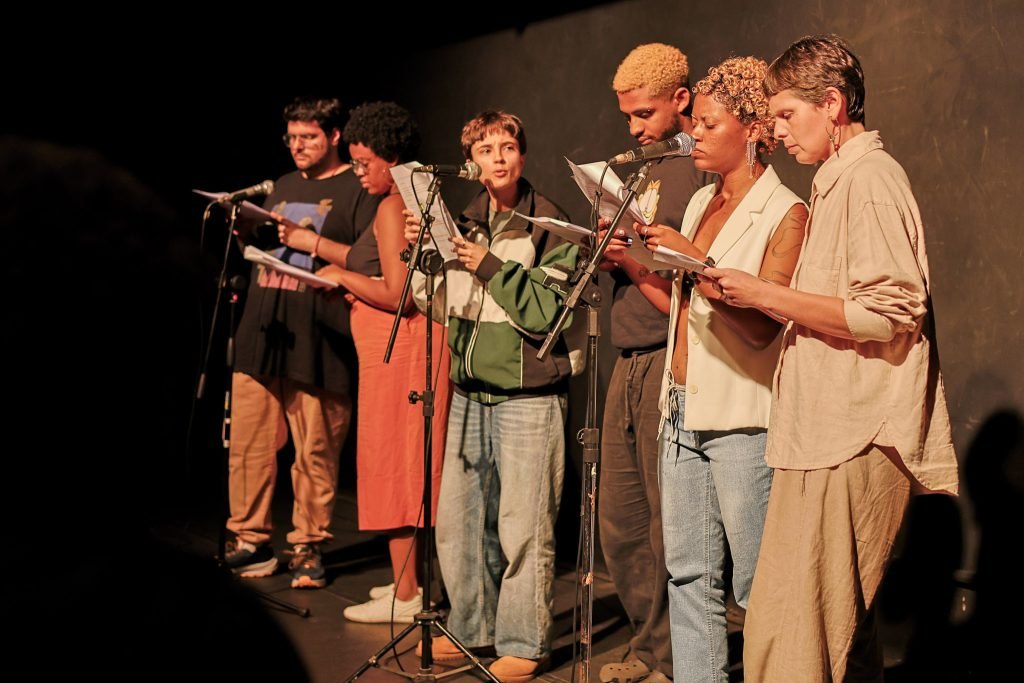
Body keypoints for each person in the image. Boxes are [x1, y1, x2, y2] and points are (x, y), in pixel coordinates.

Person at [704, 36, 959, 682]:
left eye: (788, 114)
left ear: (833, 103)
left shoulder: (870, 179)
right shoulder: (840, 179)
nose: (776, 131)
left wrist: (768, 293)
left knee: (792, 639)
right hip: (824, 433)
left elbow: (891, 313)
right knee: (836, 638)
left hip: (851, 432)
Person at [614, 56, 807, 683]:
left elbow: (760, 325)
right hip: (681, 403)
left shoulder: (787, 213)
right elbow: (686, 308)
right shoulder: (699, 199)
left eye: (708, 124)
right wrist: (644, 262)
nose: (693, 134)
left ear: (752, 129)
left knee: (755, 583)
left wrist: (693, 260)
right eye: (694, 123)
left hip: (743, 417)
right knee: (687, 574)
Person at [405, 111, 578, 683]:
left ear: (522, 155)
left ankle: (524, 643)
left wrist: (491, 266)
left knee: (524, 525)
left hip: (529, 393)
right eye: (485, 149)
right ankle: (471, 627)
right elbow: (436, 305)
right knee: (459, 520)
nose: (497, 158)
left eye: (507, 147)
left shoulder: (550, 222)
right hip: (468, 391)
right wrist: (422, 257)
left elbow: (549, 314)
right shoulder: (462, 220)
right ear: (471, 161)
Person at [278, 101, 452, 622]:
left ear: (391, 158)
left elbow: (400, 293)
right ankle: (409, 584)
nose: (357, 173)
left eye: (362, 163)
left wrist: (340, 279)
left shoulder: (394, 205)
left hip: (402, 348)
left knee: (398, 465)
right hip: (388, 349)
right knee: (396, 461)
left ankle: (408, 597)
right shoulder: (402, 200)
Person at [225, 96, 380, 589]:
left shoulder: (357, 189)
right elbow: (262, 250)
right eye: (291, 138)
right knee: (248, 446)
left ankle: (308, 544)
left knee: (315, 448)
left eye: (308, 137)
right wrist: (244, 231)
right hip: (263, 329)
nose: (297, 147)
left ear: (334, 136)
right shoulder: (281, 186)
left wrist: (305, 240)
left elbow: (364, 260)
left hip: (320, 335)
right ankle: (251, 541)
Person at [597, 42, 707, 683]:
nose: (635, 129)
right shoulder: (645, 166)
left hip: (672, 355)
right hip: (627, 357)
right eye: (628, 117)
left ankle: (682, 660)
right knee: (623, 521)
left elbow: (691, 285)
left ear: (681, 100)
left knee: (673, 524)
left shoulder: (704, 170)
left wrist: (631, 257)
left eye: (644, 114)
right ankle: (650, 647)